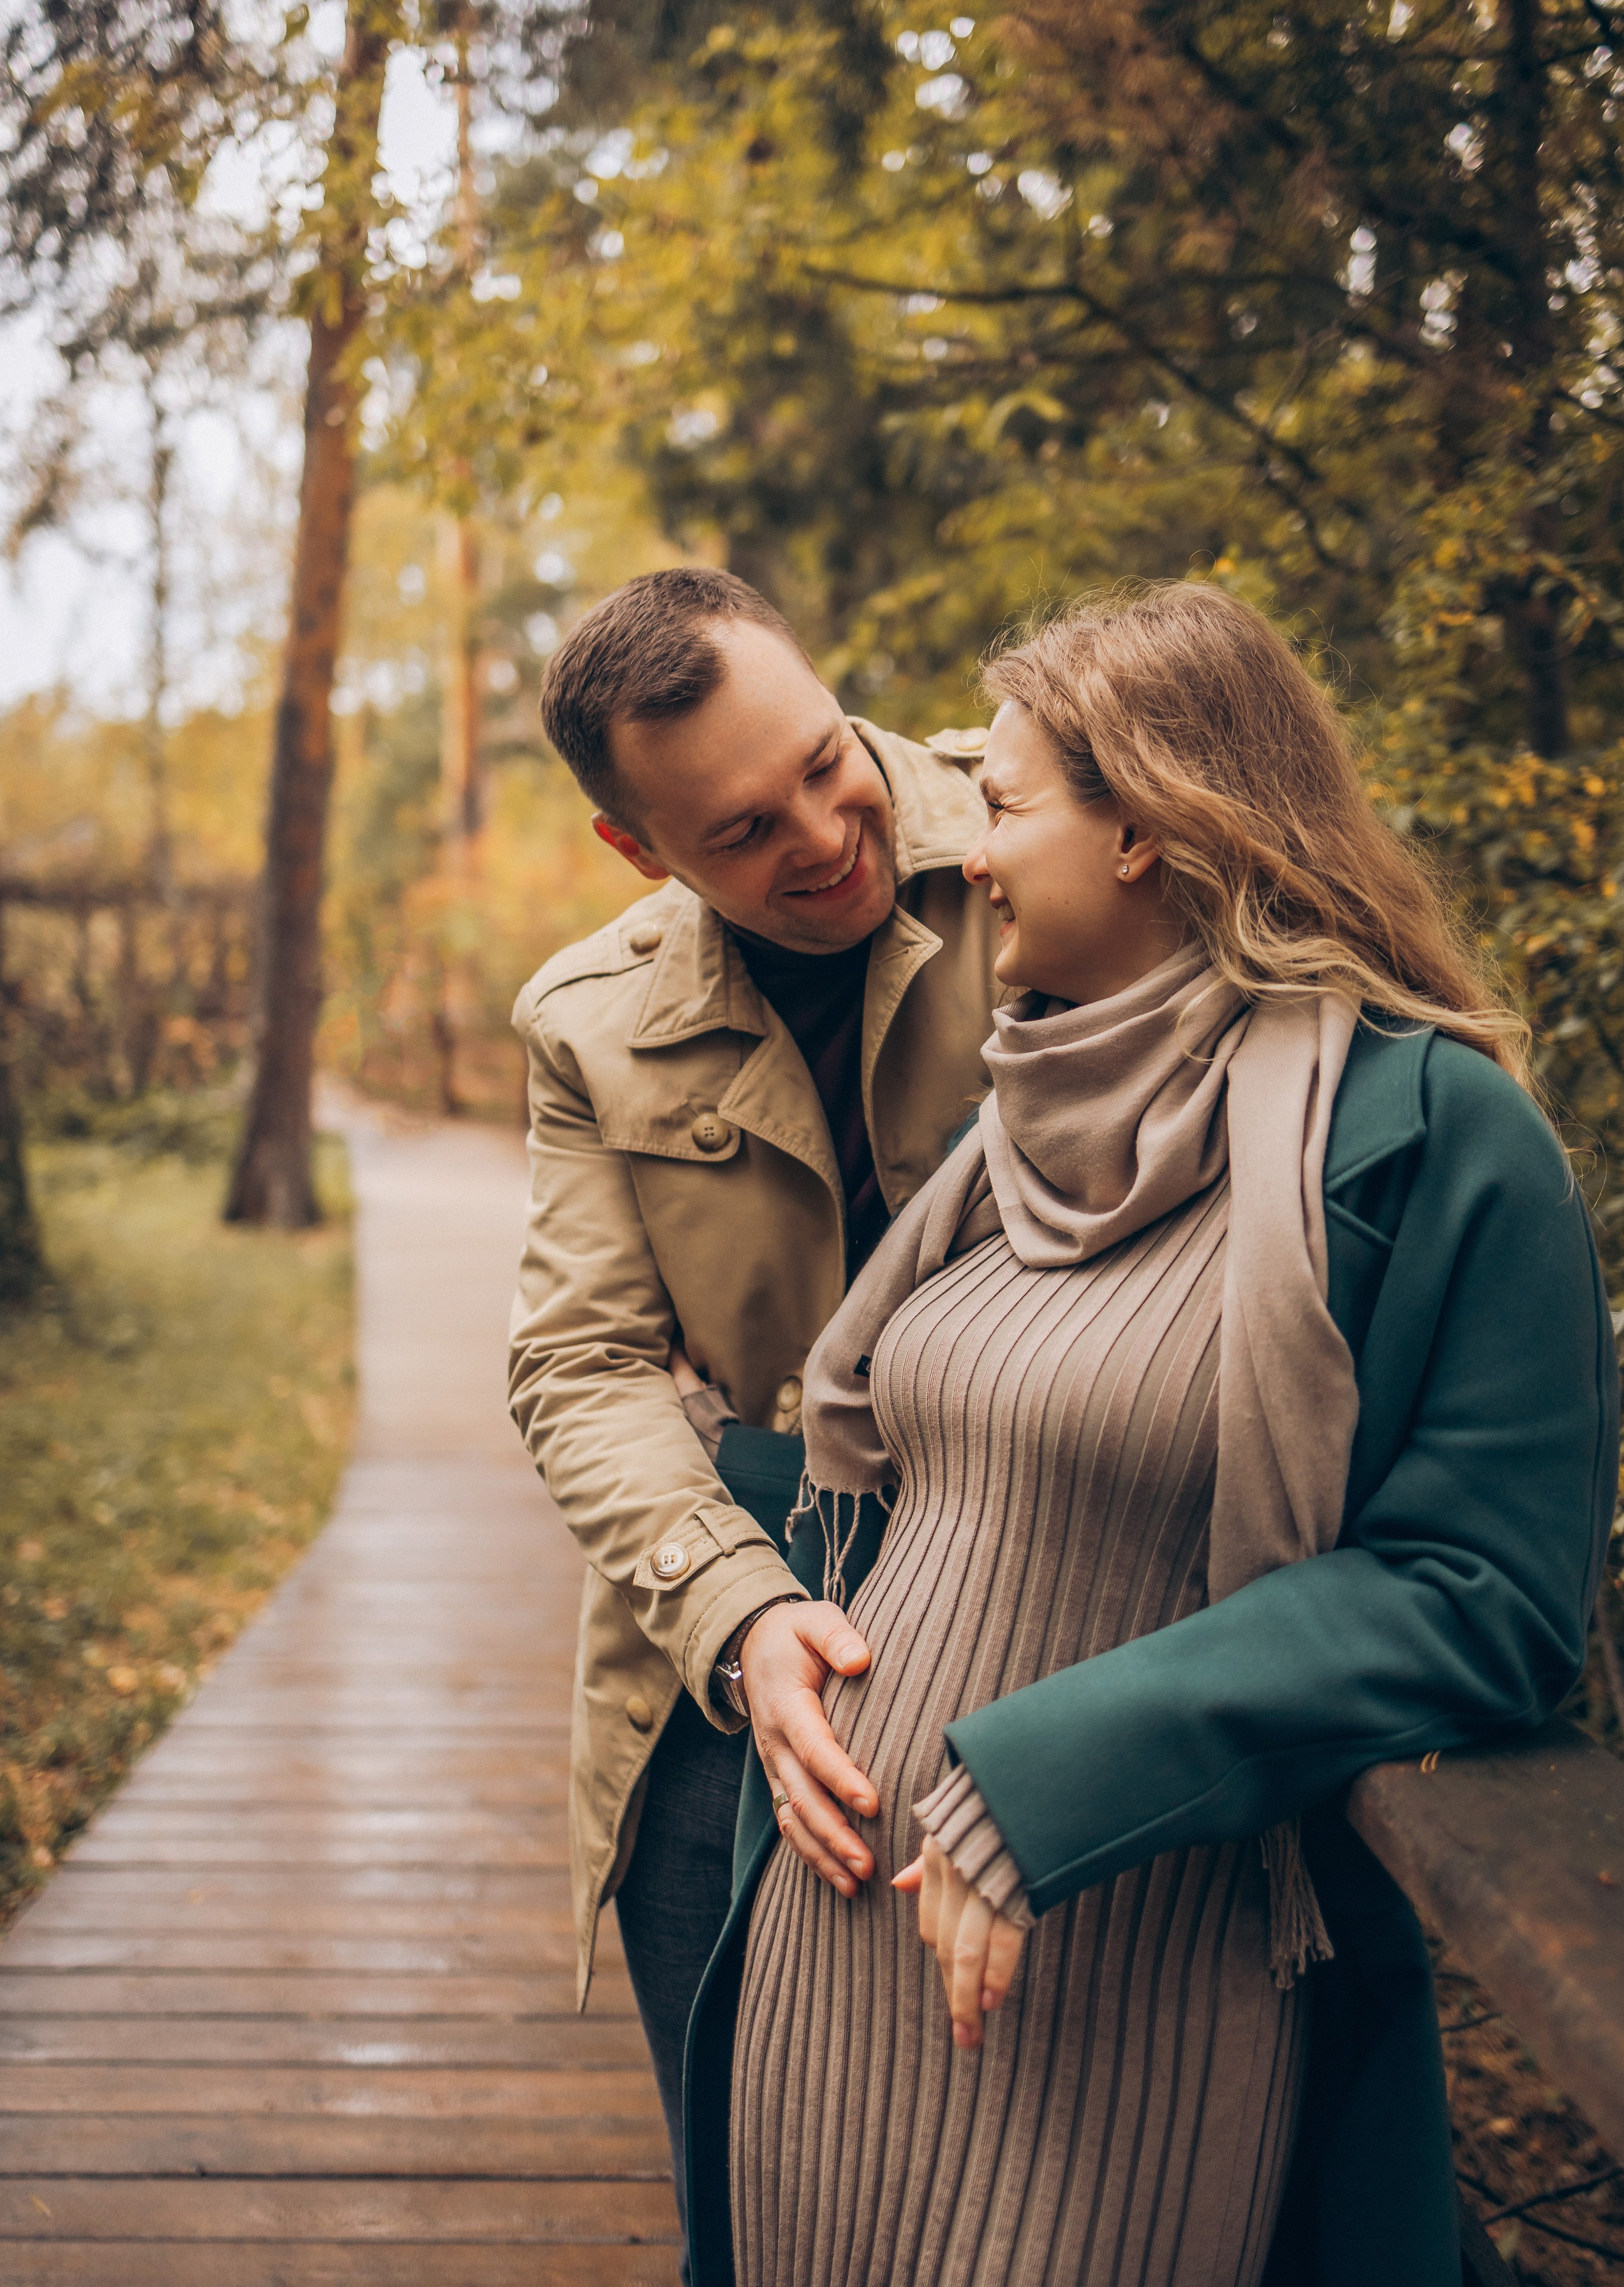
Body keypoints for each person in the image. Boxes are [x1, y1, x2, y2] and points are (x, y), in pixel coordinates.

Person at [683, 582, 1617, 2287]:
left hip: (1123, 1978)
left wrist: (1044, 1782)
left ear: (1143, 832)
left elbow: (1486, 1596)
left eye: (1012, 806)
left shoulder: (1433, 1136)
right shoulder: (1012, 1117)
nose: (968, 856)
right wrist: (759, 1621)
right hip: (836, 1972)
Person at [505, 567, 999, 2272]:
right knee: (754, 2148)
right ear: (637, 853)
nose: (821, 832)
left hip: (1061, 1571)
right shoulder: (589, 1023)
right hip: (748, 1593)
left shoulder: (1048, 840)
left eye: (823, 756)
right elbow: (579, 1371)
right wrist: (742, 1614)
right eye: (739, 829)